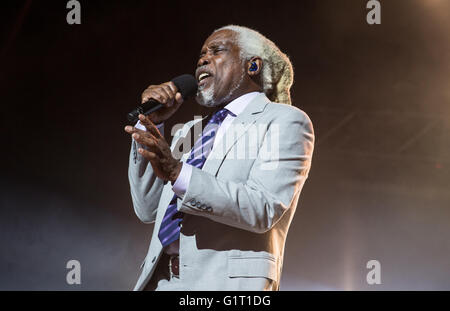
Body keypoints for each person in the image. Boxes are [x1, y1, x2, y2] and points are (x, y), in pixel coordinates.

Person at [124, 25, 314, 291]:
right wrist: (149, 124)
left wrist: (178, 172)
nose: (202, 59)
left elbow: (262, 207)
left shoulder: (284, 120)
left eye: (217, 51)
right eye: (201, 54)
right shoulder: (190, 131)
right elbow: (148, 208)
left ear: (253, 66)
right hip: (160, 282)